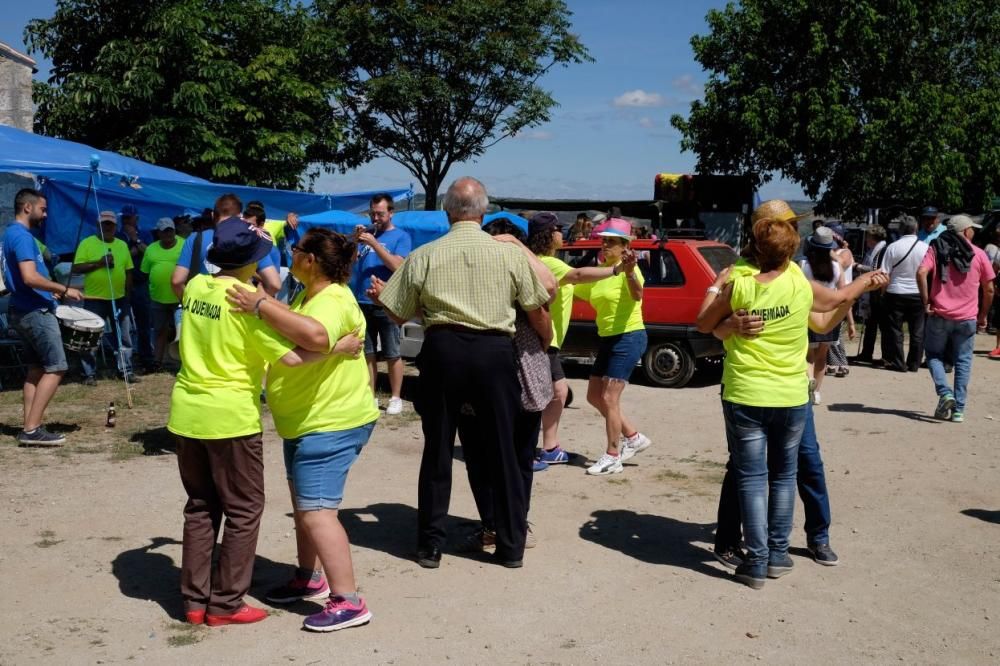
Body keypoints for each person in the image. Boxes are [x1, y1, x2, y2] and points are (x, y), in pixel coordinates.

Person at [696, 199, 885, 589]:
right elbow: (829, 306)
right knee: (783, 477)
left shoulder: (742, 283)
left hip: (748, 392)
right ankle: (779, 555)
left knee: (753, 478)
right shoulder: (798, 282)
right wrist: (862, 283)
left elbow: (703, 323)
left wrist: (725, 318)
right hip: (792, 395)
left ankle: (759, 560)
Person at [372, 177, 551, 569]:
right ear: (483, 212)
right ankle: (510, 546)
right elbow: (537, 302)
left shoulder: (425, 254)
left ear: (448, 211)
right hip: (495, 351)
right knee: (504, 448)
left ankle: (430, 544)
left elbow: (398, 311)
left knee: (437, 448)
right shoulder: (509, 256)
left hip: (443, 348)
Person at [227, 227, 378, 633]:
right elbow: (298, 337)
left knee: (317, 513)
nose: (289, 255)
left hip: (331, 422)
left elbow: (313, 334)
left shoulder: (333, 298)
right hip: (305, 421)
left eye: (294, 250)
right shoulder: (306, 294)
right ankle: (309, 577)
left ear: (310, 259)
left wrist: (260, 304)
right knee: (305, 508)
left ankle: (349, 601)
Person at [167, 218, 314, 627]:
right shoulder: (245, 303)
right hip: (230, 417)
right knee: (245, 508)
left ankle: (195, 601)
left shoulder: (197, 286)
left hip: (188, 411)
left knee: (200, 506)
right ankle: (227, 602)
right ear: (253, 260)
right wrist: (338, 348)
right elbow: (290, 356)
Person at [523, 212, 628, 466]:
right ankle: (526, 452)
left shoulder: (546, 263)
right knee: (543, 394)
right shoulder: (549, 262)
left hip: (547, 341)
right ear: (548, 235)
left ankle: (549, 448)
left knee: (556, 393)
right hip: (542, 341)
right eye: (558, 229)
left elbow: (578, 287)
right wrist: (616, 270)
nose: (563, 233)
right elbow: (579, 276)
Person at [2, 188, 84, 445]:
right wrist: (63, 288)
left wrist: (48, 292)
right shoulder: (23, 237)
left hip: (23, 308)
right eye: (43, 209)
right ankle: (32, 430)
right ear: (28, 207)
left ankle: (29, 424)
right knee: (57, 367)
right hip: (34, 312)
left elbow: (26, 279)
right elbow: (29, 276)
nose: (46, 215)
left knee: (36, 369)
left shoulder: (9, 233)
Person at [572, 218, 653, 476]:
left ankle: (612, 455)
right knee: (594, 396)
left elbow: (638, 294)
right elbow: (573, 287)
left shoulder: (629, 270)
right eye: (603, 240)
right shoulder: (602, 272)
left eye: (611, 242)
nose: (605, 245)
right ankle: (634, 437)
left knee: (609, 397)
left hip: (629, 336)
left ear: (624, 247)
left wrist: (629, 272)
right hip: (608, 338)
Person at [917, 215, 996, 422]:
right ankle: (959, 410)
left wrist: (926, 300)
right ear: (965, 231)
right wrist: (983, 315)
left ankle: (945, 393)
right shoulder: (979, 254)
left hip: (939, 314)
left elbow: (921, 272)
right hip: (967, 318)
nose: (974, 232)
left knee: (933, 355)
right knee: (963, 361)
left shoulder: (935, 250)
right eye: (972, 229)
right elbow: (989, 289)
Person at [350, 193, 412, 415]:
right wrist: (356, 242)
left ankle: (396, 397)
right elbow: (351, 265)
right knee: (368, 353)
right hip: (362, 301)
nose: (375, 217)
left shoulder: (401, 237)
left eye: (380, 213)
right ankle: (371, 394)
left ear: (391, 213)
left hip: (387, 302)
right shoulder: (367, 235)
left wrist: (375, 244)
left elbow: (398, 266)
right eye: (372, 213)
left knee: (392, 352)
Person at [170, 194, 281, 301]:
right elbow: (274, 285)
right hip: (235, 306)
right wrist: (254, 304)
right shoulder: (250, 240)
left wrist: (188, 302)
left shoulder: (195, 238)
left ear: (213, 215)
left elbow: (177, 281)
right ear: (239, 217)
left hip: (200, 306)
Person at [72, 210, 137, 384]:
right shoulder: (87, 243)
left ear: (116, 226)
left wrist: (128, 296)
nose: (107, 227)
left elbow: (129, 271)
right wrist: (98, 264)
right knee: (91, 336)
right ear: (97, 225)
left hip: (119, 298)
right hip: (94, 298)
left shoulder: (122, 245)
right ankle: (89, 374)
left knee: (124, 336)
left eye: (110, 224)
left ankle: (125, 370)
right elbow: (76, 268)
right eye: (104, 224)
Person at [800, 226, 845, 405]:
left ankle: (808, 382)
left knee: (808, 355)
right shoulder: (836, 267)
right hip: (830, 315)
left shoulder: (803, 265)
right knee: (822, 356)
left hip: (809, 314)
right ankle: (817, 391)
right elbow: (842, 292)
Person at [879, 215, 929, 372]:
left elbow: (884, 274)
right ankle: (914, 363)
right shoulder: (925, 247)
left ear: (900, 229)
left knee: (895, 330)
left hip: (895, 292)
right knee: (918, 331)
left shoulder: (892, 247)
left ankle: (898, 362)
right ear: (916, 228)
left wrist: (882, 293)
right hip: (917, 292)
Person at [140, 218, 183, 369]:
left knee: (183, 331)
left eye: (170, 230)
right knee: (159, 331)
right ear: (158, 233)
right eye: (164, 231)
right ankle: (157, 361)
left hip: (181, 297)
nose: (168, 234)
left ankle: (185, 362)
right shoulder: (151, 248)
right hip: (157, 298)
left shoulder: (184, 245)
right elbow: (145, 272)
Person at [118, 204, 155, 373]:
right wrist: (133, 250)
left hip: (141, 284)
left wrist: (135, 239)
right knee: (123, 325)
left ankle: (146, 358)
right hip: (123, 284)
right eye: (123, 217)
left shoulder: (145, 233)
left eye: (128, 217)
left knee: (143, 324)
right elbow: (122, 258)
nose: (125, 220)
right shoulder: (117, 235)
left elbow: (149, 254)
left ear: (136, 218)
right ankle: (125, 362)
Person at [855, 225, 889, 364]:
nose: (866, 239)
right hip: (872, 291)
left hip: (878, 292)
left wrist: (858, 267)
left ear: (873, 237)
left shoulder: (882, 250)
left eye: (868, 236)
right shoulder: (873, 249)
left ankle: (886, 356)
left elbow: (878, 270)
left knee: (880, 325)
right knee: (870, 324)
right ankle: (866, 353)